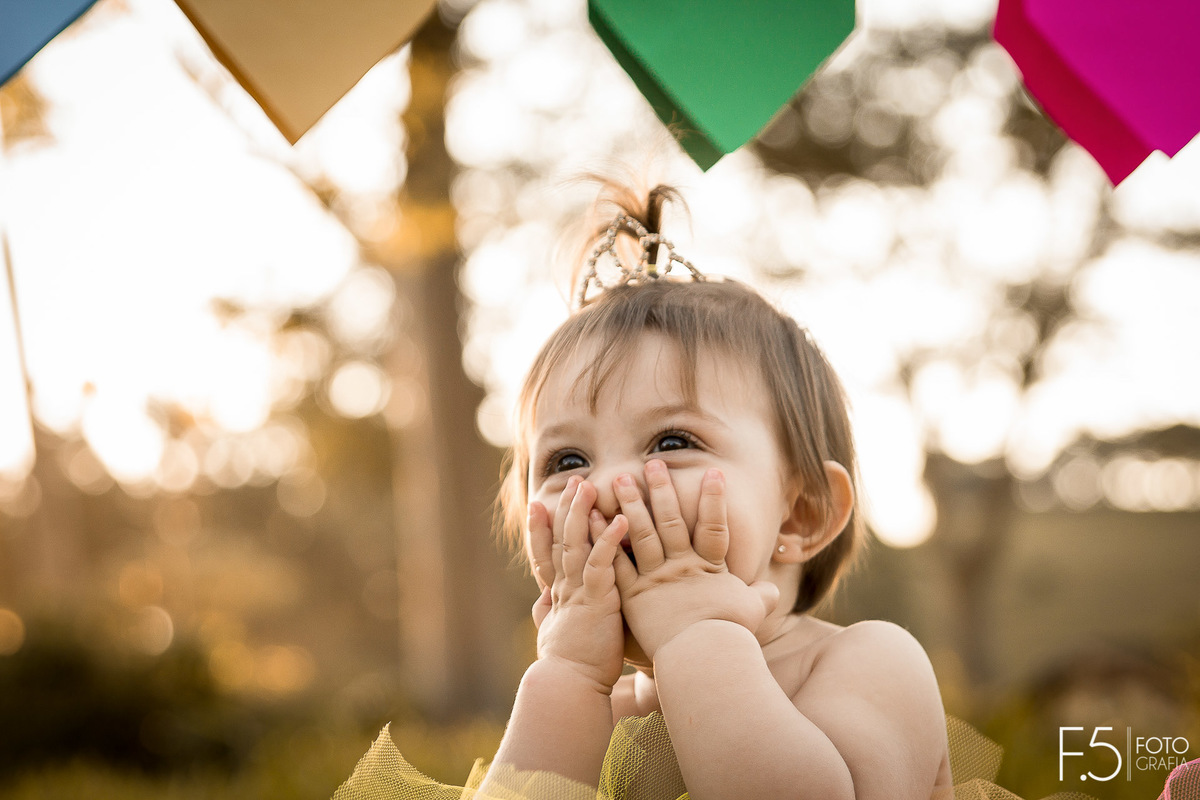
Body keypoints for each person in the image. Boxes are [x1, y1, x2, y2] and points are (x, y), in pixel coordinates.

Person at [335, 183, 954, 800]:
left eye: (671, 443)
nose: (606, 485)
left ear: (800, 514)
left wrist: (696, 639)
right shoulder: (595, 715)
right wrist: (568, 676)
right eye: (567, 459)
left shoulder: (870, 662)